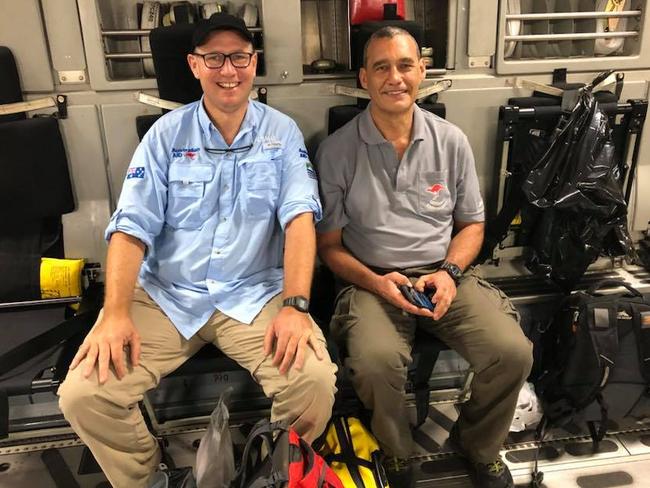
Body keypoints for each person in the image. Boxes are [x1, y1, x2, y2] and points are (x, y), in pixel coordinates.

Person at [58, 13, 337, 488]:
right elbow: (130, 228)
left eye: (239, 57)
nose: (228, 70)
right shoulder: (166, 136)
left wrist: (294, 306)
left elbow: (299, 221)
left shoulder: (282, 134)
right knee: (83, 395)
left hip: (253, 296)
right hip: (168, 296)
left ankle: (276, 473)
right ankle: (147, 480)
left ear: (255, 62)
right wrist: (115, 313)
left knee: (312, 381)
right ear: (194, 65)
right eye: (214, 58)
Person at [316, 27, 532, 488]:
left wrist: (451, 272)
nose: (394, 77)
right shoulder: (336, 151)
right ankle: (396, 454)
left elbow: (472, 225)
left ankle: (479, 447)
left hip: (443, 274)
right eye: (381, 67)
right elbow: (329, 247)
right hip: (369, 279)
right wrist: (378, 283)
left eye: (404, 65)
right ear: (364, 78)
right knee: (376, 361)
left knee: (512, 352)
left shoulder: (450, 140)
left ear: (422, 72)